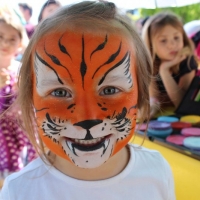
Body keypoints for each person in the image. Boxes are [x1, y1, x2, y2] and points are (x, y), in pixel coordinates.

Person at [0, 1, 175, 199]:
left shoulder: (157, 171)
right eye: (59, 92)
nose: (86, 117)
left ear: (141, 93)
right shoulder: (19, 191)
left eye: (109, 90)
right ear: (31, 98)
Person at [0, 13, 36, 180]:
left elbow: (27, 107)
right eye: (0, 36)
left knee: (15, 176)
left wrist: (20, 91)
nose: (5, 43)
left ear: (20, 43)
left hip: (15, 137)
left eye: (12, 39)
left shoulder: (21, 71)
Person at [142, 12, 198, 117]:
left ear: (183, 38)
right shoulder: (148, 64)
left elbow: (181, 104)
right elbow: (154, 97)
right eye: (163, 40)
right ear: (150, 44)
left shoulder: (188, 61)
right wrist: (153, 103)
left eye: (176, 38)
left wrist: (164, 71)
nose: (172, 45)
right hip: (164, 117)